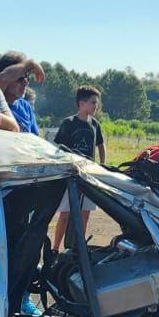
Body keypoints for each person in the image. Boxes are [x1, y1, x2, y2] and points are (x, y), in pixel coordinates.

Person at [50, 85, 106, 252]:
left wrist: (102, 165)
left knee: (85, 213)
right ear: (81, 103)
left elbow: (101, 146)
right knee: (66, 214)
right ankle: (54, 248)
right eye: (93, 102)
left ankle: (77, 247)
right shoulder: (69, 123)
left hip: (89, 175)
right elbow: (58, 148)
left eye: (96, 103)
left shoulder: (95, 125)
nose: (96, 106)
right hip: (71, 175)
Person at [0, 51, 45, 136]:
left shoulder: (26, 107)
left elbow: (34, 140)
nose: (25, 82)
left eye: (27, 77)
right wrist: (30, 63)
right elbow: (2, 79)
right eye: (20, 78)